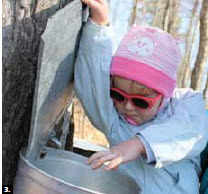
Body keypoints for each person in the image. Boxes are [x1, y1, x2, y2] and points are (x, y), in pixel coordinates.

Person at [74, 0, 208, 193]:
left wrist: (139, 144)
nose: (128, 106)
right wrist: (99, 26)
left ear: (164, 96)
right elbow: (91, 83)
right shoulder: (115, 122)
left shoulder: (184, 103)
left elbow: (193, 132)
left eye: (140, 101)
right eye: (118, 95)